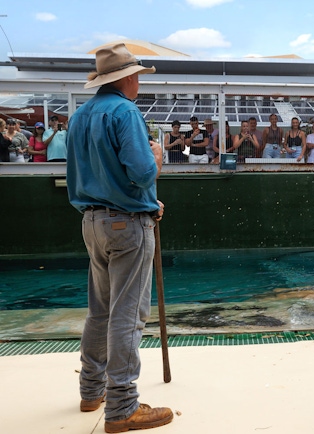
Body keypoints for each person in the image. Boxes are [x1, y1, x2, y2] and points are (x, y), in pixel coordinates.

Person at [65, 43, 173, 432]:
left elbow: (96, 175)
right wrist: (157, 158)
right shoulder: (125, 111)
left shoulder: (80, 116)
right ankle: (123, 406)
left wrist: (144, 202)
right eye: (138, 75)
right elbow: (142, 172)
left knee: (101, 310)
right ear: (129, 77)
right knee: (129, 314)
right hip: (126, 225)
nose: (139, 81)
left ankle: (91, 391)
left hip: (91, 222)